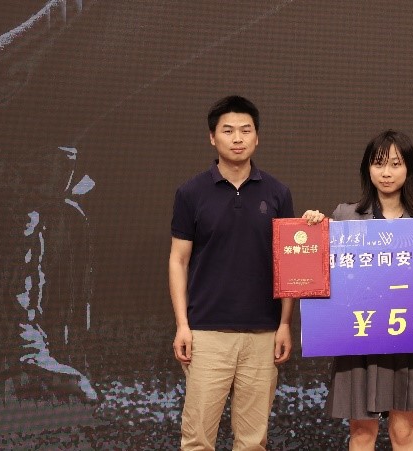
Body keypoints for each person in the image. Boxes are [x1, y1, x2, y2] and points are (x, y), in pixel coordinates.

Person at [302, 129, 413, 451]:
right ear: (367, 169)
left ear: (409, 169)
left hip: (407, 338)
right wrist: (313, 226)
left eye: (395, 164)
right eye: (378, 164)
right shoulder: (346, 216)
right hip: (358, 337)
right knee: (362, 433)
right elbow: (320, 269)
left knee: (404, 433)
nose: (386, 172)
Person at [169, 95, 296, 450]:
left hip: (263, 334)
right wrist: (182, 325)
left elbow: (289, 264)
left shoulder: (278, 193)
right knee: (197, 440)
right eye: (228, 131)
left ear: (257, 137)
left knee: (253, 442)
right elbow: (178, 260)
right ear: (212, 137)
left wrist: (285, 323)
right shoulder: (191, 192)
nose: (237, 138)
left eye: (245, 130)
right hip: (206, 334)